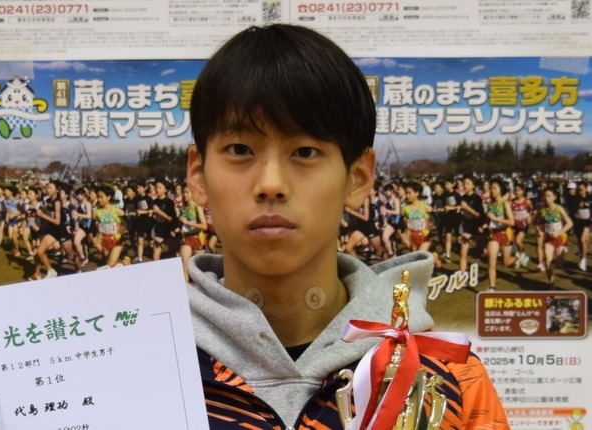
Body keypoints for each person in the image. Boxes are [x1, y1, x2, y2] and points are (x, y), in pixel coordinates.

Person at [185, 24, 507, 429]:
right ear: (198, 175)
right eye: (239, 150)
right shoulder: (138, 365)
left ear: (357, 178)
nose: (270, 184)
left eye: (305, 152)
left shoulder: (450, 379)